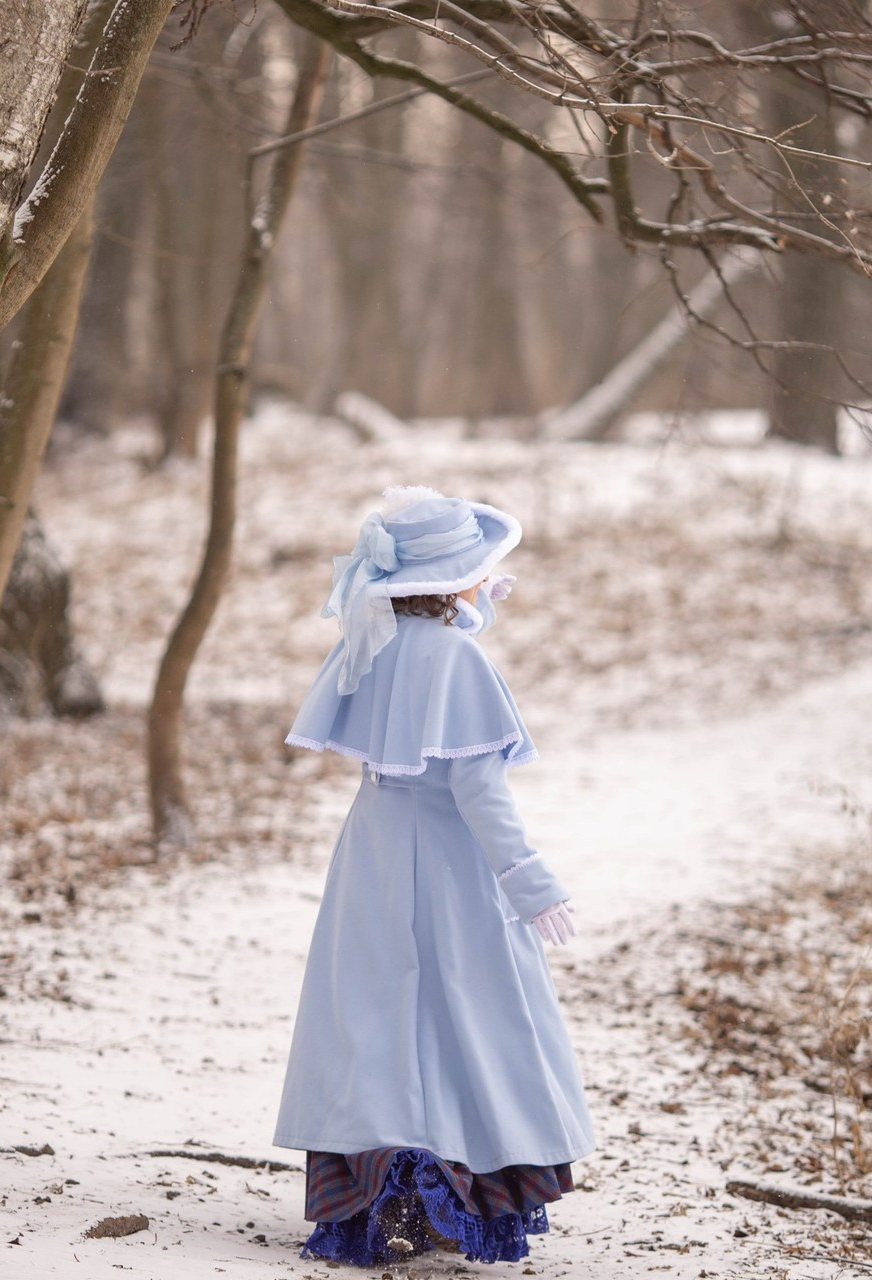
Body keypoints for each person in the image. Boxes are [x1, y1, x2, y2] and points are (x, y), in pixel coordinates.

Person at [274, 485, 595, 1267]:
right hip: (452, 868)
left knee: (380, 1018)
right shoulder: (457, 658)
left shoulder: (372, 644)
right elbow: (479, 791)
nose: (488, 583)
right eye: (477, 573)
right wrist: (531, 881)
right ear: (452, 583)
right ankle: (445, 1187)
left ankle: (379, 1196)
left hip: (374, 856)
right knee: (468, 1015)